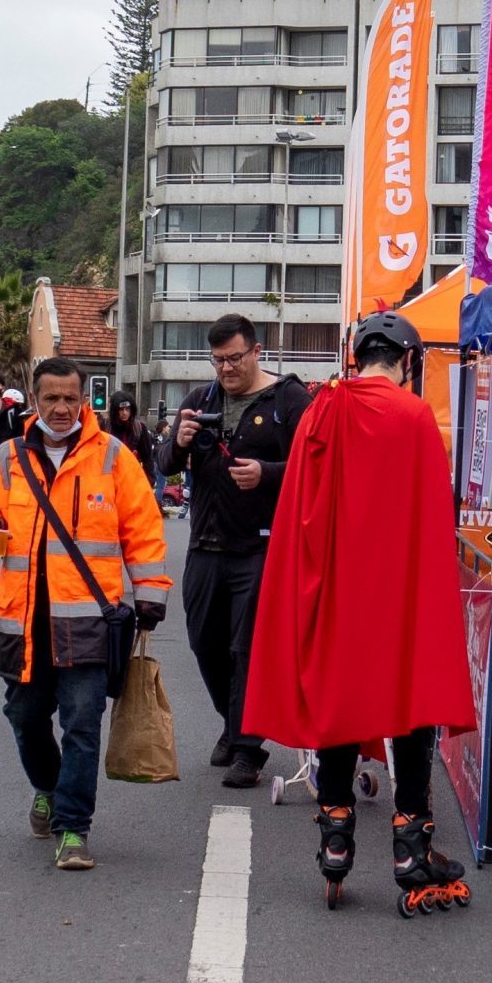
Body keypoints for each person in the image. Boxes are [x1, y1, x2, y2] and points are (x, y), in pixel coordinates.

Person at [243, 314, 474, 915]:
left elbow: (302, 508)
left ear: (358, 354)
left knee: (341, 701)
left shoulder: (324, 408)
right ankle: (410, 844)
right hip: (400, 588)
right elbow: (431, 518)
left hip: (339, 587)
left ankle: (337, 836)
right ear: (408, 360)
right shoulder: (415, 416)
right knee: (411, 702)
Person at [0, 357, 170, 871]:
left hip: (89, 620)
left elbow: (143, 530)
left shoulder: (114, 459)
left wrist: (150, 596)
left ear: (84, 401)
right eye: (50, 398)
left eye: (69, 399)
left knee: (82, 724)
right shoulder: (5, 459)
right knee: (25, 718)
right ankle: (47, 789)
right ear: (34, 399)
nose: (59, 408)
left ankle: (73, 828)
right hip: (23, 619)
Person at [160, 313, 313, 789]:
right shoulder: (199, 400)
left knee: (246, 649)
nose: (226, 368)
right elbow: (162, 464)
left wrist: (266, 473)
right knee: (204, 643)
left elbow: (317, 465)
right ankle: (233, 723)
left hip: (261, 546)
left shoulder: (289, 399)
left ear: (256, 351)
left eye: (234, 358)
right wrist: (178, 443)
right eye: (218, 360)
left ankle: (248, 747)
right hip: (205, 544)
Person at [104, 391, 155, 476]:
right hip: (109, 478)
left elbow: (148, 458)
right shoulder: (105, 427)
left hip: (131, 477)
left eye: (127, 409)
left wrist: (149, 481)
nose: (125, 413)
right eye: (121, 409)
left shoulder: (139, 428)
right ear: (115, 410)